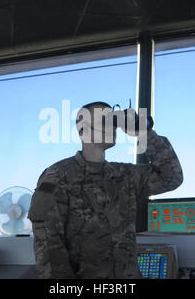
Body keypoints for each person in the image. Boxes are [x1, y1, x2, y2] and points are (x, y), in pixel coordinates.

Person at [28, 101, 183, 278]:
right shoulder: (58, 176)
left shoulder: (123, 175)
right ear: (82, 130)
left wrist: (144, 133)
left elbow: (171, 177)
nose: (112, 126)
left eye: (112, 120)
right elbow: (49, 249)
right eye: (104, 120)